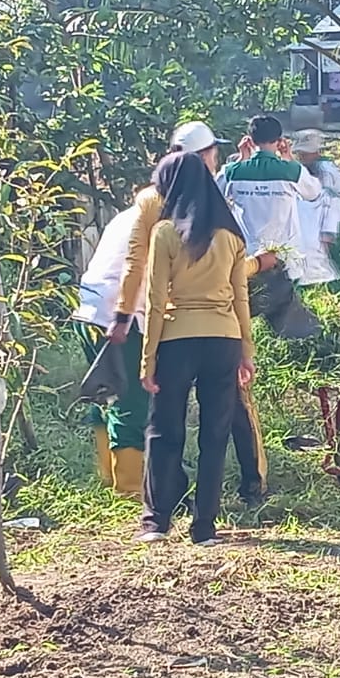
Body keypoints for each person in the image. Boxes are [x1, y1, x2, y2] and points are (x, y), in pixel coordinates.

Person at [110, 128, 274, 508]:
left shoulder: (157, 207)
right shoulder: (208, 207)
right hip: (218, 332)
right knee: (221, 423)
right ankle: (232, 500)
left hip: (173, 330)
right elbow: (236, 284)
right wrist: (246, 349)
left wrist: (131, 327)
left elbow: (146, 278)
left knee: (165, 425)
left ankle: (159, 513)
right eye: (212, 154)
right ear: (203, 158)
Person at [138, 152, 256, 546]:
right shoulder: (232, 236)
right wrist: (246, 353)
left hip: (177, 341)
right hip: (224, 340)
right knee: (215, 435)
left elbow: (156, 300)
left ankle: (156, 522)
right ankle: (204, 527)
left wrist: (147, 359)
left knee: (164, 429)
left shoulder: (165, 233)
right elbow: (241, 299)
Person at [72, 203, 148, 497]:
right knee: (131, 401)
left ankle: (107, 472)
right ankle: (129, 489)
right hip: (118, 322)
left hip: (90, 312)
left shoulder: (128, 216)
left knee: (107, 393)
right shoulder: (154, 220)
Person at [219, 115, 325, 285]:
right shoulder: (292, 170)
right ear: (279, 140)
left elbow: (215, 195)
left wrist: (241, 159)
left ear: (250, 140)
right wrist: (289, 158)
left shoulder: (232, 172)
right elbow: (314, 193)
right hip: (285, 257)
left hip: (248, 257)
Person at [291, 129, 340, 285]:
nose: (302, 156)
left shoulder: (324, 170)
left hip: (336, 219)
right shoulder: (308, 168)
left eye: (305, 153)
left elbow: (329, 202)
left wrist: (327, 231)